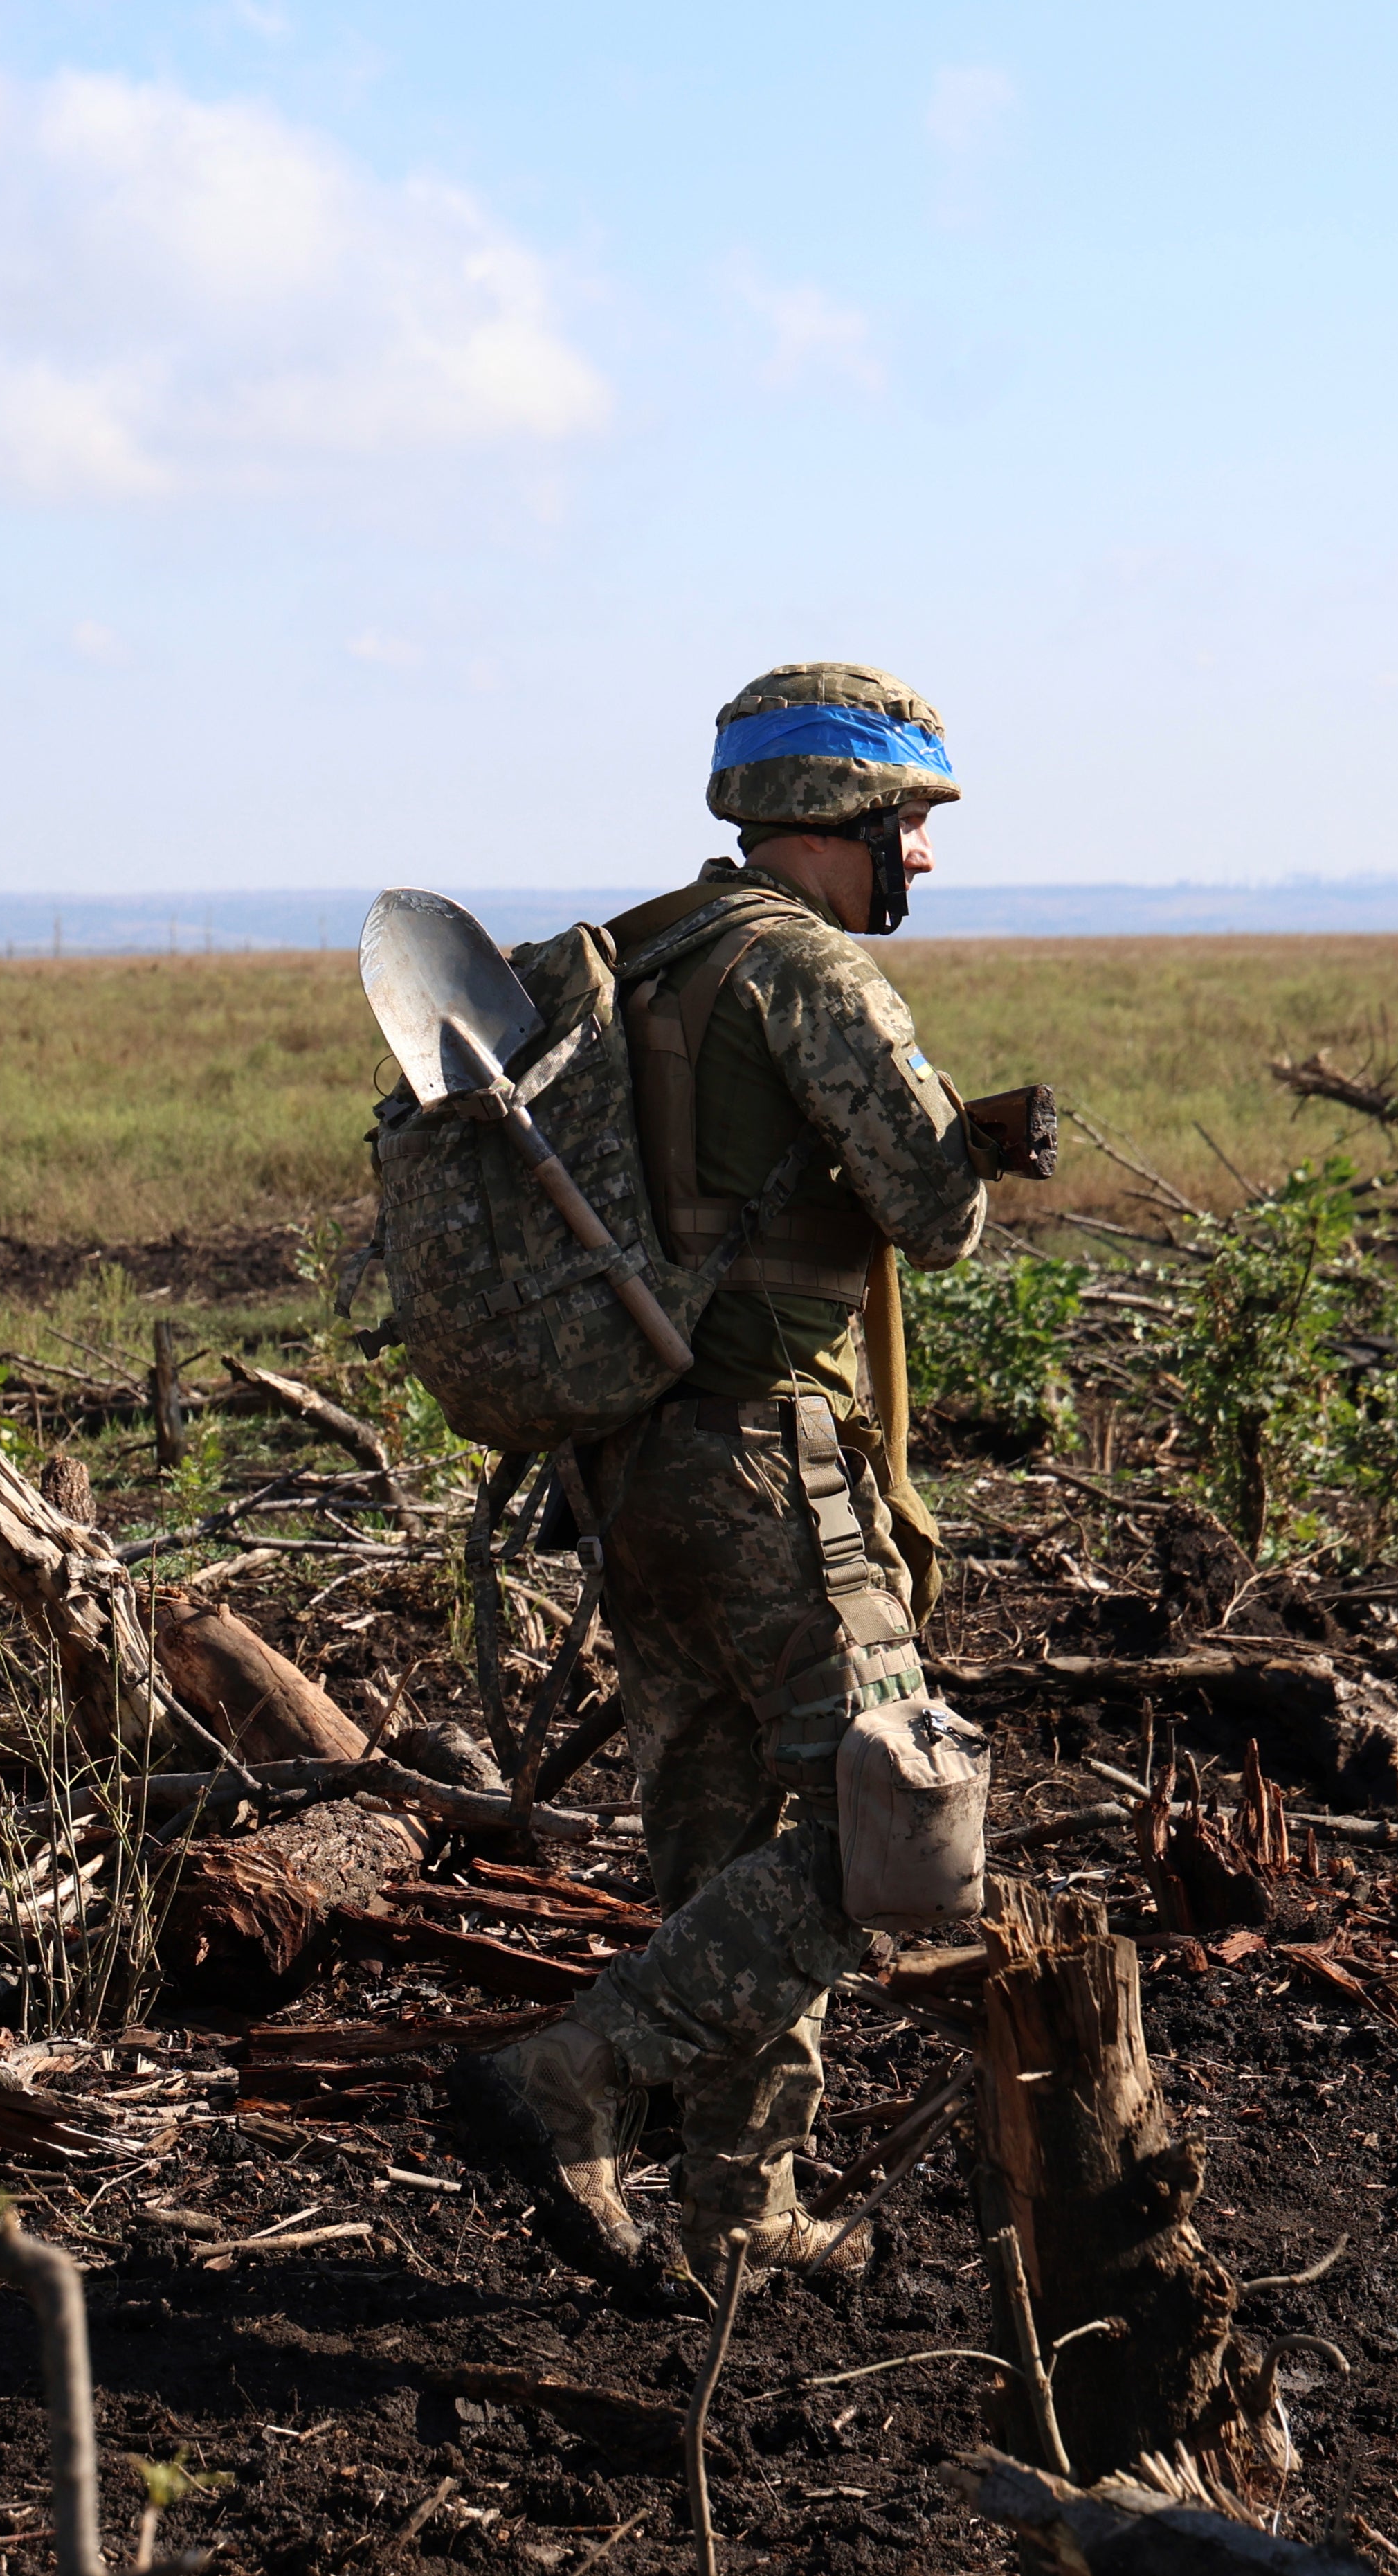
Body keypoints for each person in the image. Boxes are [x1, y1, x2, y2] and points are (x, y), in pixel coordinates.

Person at [455, 660, 992, 2296]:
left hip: (634, 1469)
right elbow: (934, 1214)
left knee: (720, 1851)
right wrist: (973, 1154)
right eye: (909, 819)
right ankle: (573, 2076)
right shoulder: (804, 966)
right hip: (770, 1458)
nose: (923, 854)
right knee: (894, 1823)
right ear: (839, 814)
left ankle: (739, 2210)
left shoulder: (648, 955)